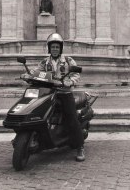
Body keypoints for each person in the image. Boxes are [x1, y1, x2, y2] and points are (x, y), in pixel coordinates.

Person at [21, 33, 85, 162]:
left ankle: (79, 146)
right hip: (48, 92)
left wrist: (70, 82)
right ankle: (28, 137)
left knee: (71, 118)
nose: (55, 49)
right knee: (35, 109)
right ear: (49, 48)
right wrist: (27, 75)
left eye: (57, 47)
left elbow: (76, 74)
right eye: (52, 47)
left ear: (60, 48)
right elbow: (36, 72)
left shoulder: (68, 60)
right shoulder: (45, 62)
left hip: (64, 93)